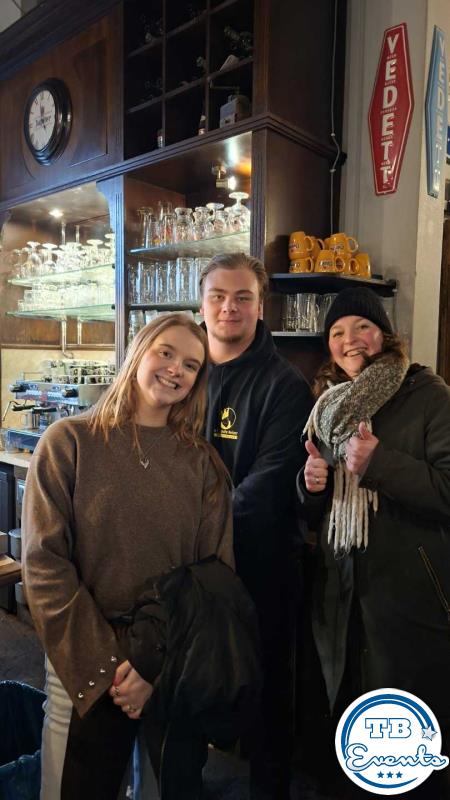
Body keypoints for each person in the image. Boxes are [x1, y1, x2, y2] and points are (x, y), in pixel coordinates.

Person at [22, 313, 234, 800]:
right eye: (166, 353)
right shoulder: (68, 442)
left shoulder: (202, 463)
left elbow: (212, 577)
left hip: (168, 661)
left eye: (191, 365)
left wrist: (151, 664)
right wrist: (108, 668)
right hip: (80, 658)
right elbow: (45, 565)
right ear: (138, 352)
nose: (176, 369)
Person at [297, 287, 450, 799]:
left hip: (409, 597)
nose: (350, 340)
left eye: (362, 327)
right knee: (353, 731)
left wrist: (379, 462)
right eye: (337, 332)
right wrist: (310, 485)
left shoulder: (427, 395)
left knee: (406, 740)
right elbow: (315, 508)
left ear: (384, 335)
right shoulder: (328, 406)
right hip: (342, 593)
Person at [199, 252, 313, 800]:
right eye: (218, 296)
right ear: (201, 305)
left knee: (267, 696)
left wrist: (196, 535)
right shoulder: (183, 371)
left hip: (260, 568)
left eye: (243, 297)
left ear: (260, 306)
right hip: (189, 566)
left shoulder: (285, 385)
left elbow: (265, 488)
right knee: (190, 685)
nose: (230, 307)